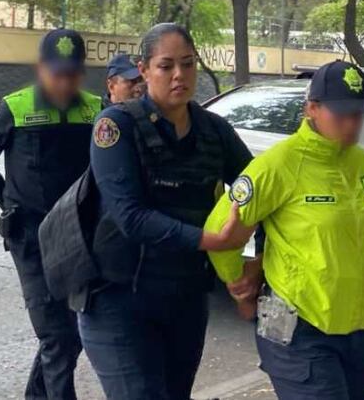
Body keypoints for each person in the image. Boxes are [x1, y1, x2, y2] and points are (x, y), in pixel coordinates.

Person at [80, 22, 254, 400]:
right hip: (119, 297)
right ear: (143, 70)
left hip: (185, 297)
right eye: (166, 65)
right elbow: (130, 216)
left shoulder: (214, 131)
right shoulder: (116, 127)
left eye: (188, 64)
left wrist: (257, 265)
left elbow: (259, 190)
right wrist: (213, 240)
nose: (180, 75)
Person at [205, 60, 364, 400]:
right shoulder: (278, 165)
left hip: (362, 332)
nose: (351, 124)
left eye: (359, 114)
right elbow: (220, 230)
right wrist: (239, 285)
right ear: (312, 109)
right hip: (301, 331)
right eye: (341, 114)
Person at [0, 28, 101, 400]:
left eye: (72, 73)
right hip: (31, 238)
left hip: (77, 238)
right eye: (57, 73)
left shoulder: (95, 109)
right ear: (42, 70)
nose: (64, 82)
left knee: (70, 337)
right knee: (56, 335)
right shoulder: (14, 107)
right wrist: (10, 205)